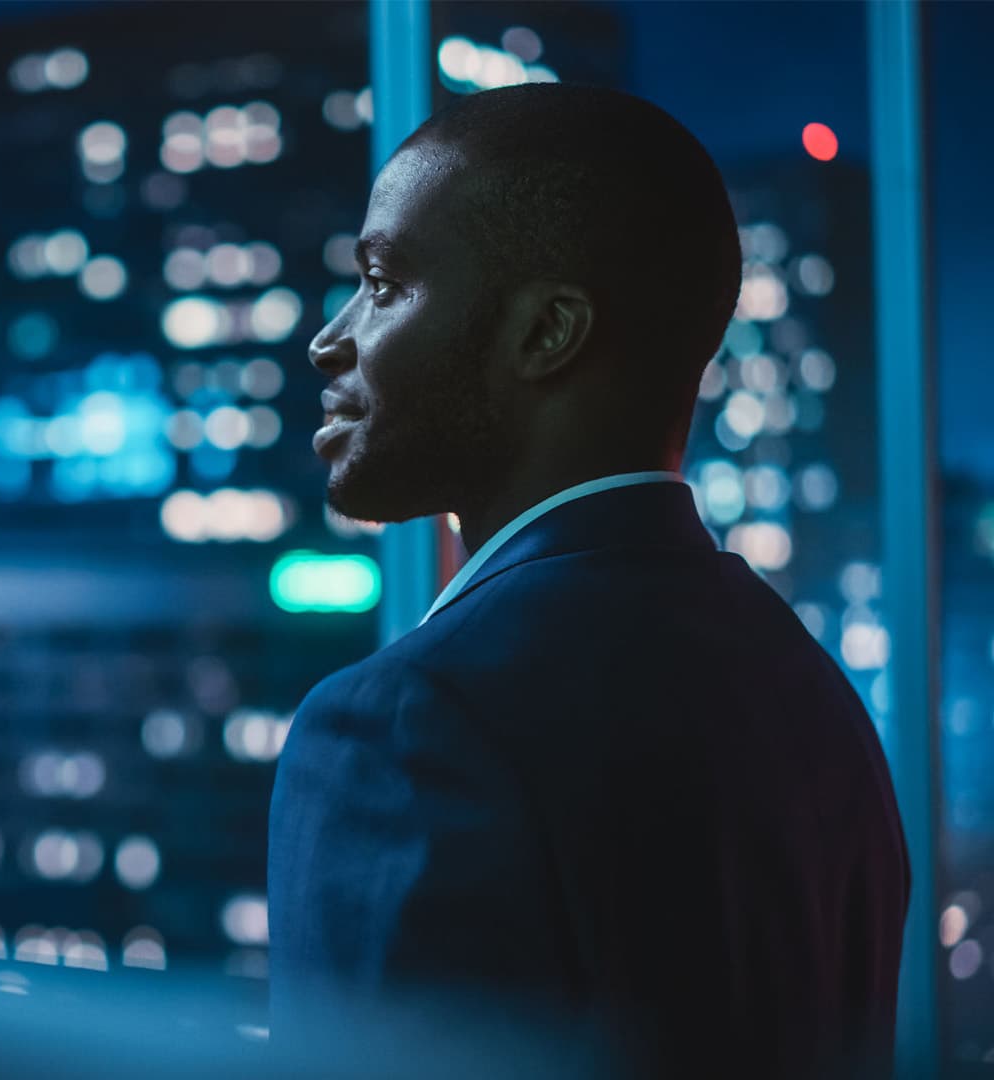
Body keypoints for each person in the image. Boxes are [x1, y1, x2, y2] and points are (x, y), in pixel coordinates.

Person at [266, 83, 908, 1077]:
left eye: (386, 283)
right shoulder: (814, 694)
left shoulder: (406, 726)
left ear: (546, 334)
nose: (331, 338)